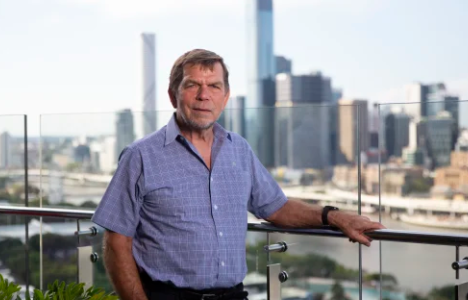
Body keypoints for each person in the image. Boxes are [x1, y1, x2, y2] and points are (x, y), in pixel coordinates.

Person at [91, 49, 385, 300]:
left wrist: (334, 217)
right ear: (173, 95)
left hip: (233, 295)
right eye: (193, 85)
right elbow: (116, 242)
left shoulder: (239, 149)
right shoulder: (141, 156)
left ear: (226, 96)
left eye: (214, 86)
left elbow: (277, 207)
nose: (204, 95)